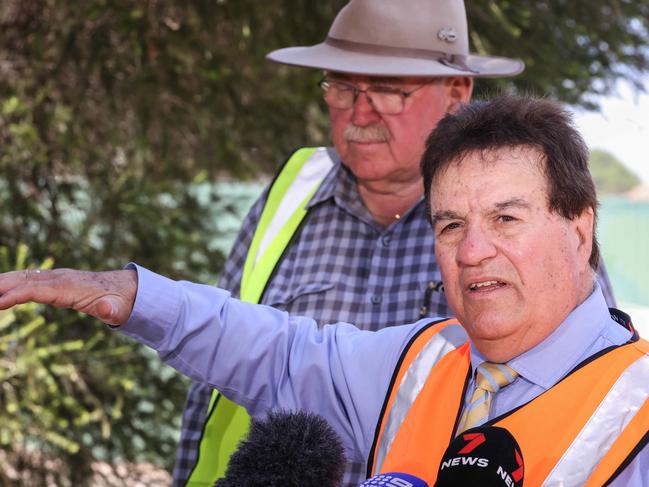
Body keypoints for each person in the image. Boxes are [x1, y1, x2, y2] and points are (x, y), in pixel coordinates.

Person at [0, 95, 645, 485]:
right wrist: (131, 295)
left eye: (506, 218)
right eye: (450, 224)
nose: (473, 251)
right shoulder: (421, 361)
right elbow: (275, 350)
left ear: (580, 227)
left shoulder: (636, 412)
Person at [173, 0, 615, 484]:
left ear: (456, 92)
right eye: (342, 86)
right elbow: (215, 387)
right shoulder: (288, 192)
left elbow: (593, 402)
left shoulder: (537, 236)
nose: (360, 112)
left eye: (387, 89)